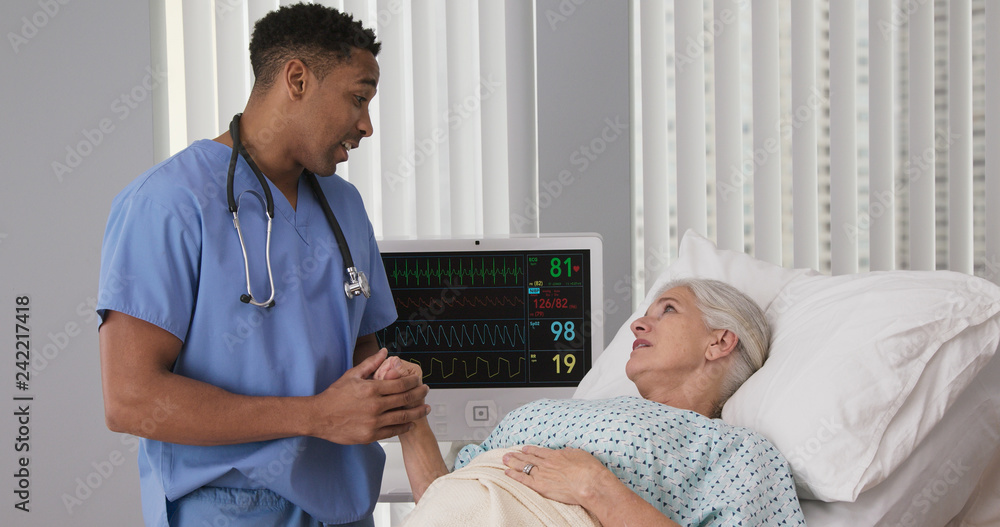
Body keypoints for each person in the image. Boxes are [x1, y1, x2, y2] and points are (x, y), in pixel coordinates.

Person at [97, 5, 428, 526]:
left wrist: (387, 388)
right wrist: (317, 416)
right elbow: (132, 399)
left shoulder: (344, 206)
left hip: (343, 508)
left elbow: (363, 345)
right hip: (228, 510)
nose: (365, 125)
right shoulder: (168, 202)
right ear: (297, 78)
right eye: (358, 98)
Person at [377, 278, 806, 526]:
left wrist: (596, 489)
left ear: (720, 341)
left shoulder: (738, 452)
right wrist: (410, 414)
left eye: (668, 310)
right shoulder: (575, 408)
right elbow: (443, 500)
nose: (638, 323)